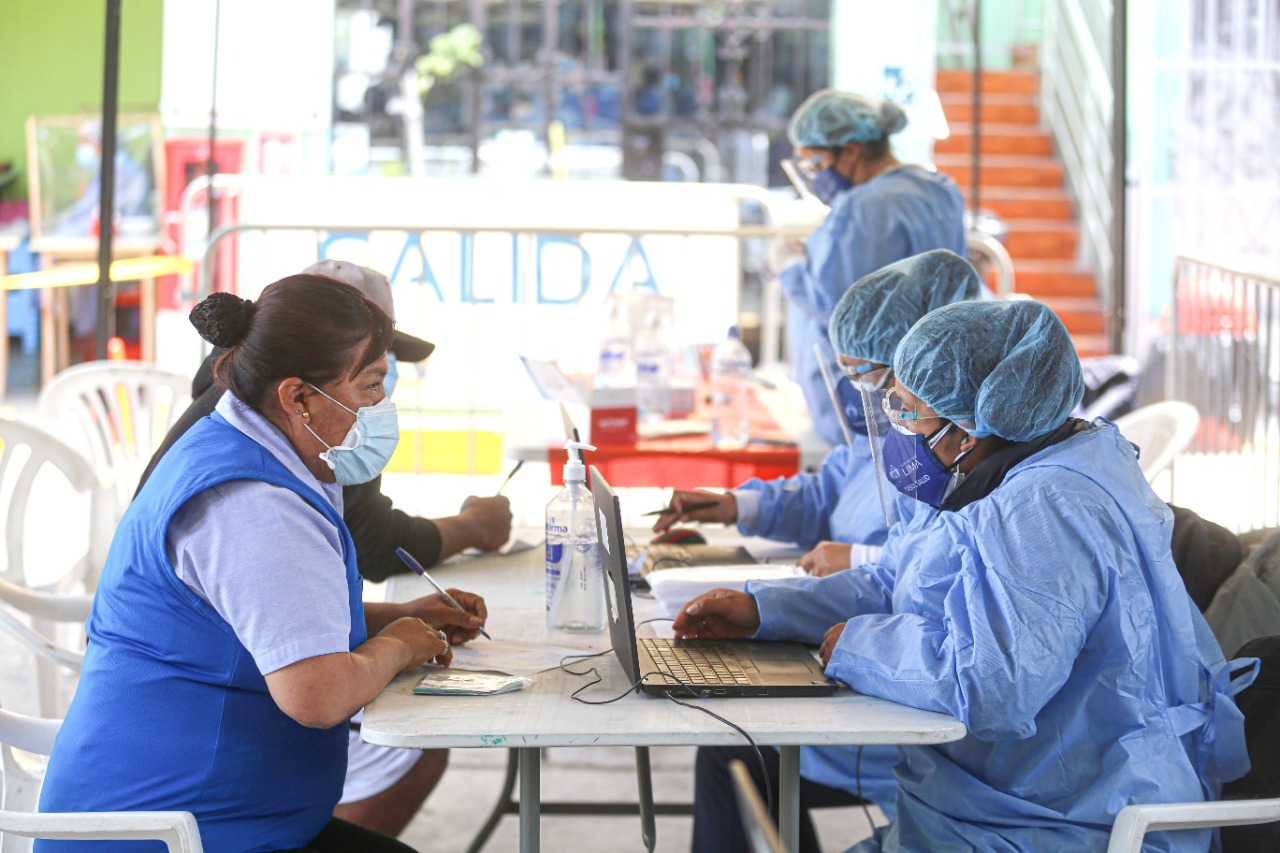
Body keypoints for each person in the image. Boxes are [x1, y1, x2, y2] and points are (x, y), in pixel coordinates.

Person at [676, 299, 1255, 852]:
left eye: (906, 412)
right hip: (998, 808)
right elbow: (902, 581)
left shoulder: (1045, 507)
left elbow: (994, 688)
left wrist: (859, 644)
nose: (897, 429)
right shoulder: (996, 477)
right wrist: (767, 610)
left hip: (1058, 825)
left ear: (968, 427)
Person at [38, 277, 487, 852]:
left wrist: (395, 617)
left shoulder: (246, 444)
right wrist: (399, 644)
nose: (382, 407)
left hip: (199, 817)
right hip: (163, 835)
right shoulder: (253, 506)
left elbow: (255, 622)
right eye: (372, 385)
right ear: (298, 398)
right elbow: (317, 695)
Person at [655, 250, 983, 577]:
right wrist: (736, 506)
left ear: (920, 364)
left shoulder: (950, 448)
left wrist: (863, 558)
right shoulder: (888, 430)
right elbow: (830, 493)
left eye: (868, 377)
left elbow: (936, 566)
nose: (862, 393)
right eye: (847, 373)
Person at [779, 88, 966, 447]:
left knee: (867, 463)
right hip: (926, 390)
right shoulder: (940, 189)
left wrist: (790, 269)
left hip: (866, 398)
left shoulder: (863, 206)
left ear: (851, 151)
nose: (815, 176)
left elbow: (838, 310)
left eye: (816, 163)